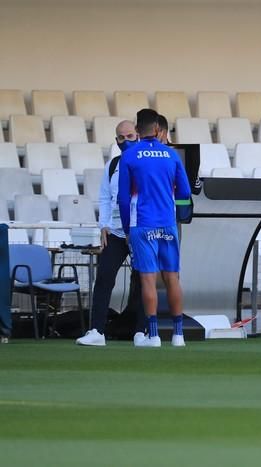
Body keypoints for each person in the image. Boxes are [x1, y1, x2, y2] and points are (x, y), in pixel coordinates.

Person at [118, 109, 191, 347]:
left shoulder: (129, 156)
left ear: (137, 131)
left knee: (148, 280)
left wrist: (128, 229)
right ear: (158, 130)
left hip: (142, 224)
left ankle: (154, 335)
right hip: (167, 224)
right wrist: (175, 210)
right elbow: (185, 193)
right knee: (172, 279)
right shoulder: (171, 155)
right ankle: (179, 335)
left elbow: (122, 198)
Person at [76, 120, 146, 346]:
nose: (126, 141)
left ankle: (141, 332)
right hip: (115, 232)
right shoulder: (113, 164)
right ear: (116, 140)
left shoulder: (148, 164)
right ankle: (96, 330)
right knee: (104, 278)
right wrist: (103, 225)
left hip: (140, 231)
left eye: (130, 136)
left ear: (139, 135)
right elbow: (105, 198)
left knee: (144, 280)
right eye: (121, 138)